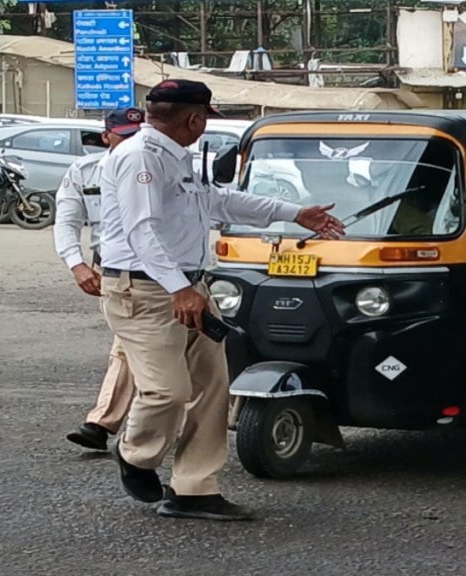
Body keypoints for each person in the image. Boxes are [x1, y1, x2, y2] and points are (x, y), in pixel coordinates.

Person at [99, 79, 345, 521]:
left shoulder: (178, 156)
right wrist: (179, 289)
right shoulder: (141, 157)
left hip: (190, 287)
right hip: (145, 290)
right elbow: (142, 231)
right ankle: (135, 455)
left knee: (212, 388)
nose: (203, 127)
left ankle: (194, 488)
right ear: (194, 119)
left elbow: (218, 201)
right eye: (204, 120)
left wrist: (294, 214)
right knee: (166, 391)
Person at [54, 107, 144, 452]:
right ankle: (112, 425)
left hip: (166, 271)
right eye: (123, 136)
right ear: (106, 136)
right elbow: (66, 221)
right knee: (131, 343)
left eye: (138, 136)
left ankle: (108, 424)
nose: (131, 144)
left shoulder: (161, 164)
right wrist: (76, 265)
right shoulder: (84, 171)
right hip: (112, 269)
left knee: (133, 344)